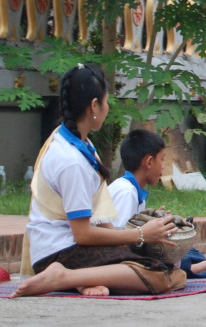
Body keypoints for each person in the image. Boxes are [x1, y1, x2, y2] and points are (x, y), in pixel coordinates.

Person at [14, 64, 184, 298]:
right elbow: (83, 234)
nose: (107, 108)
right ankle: (64, 277)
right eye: (106, 102)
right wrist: (140, 235)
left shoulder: (82, 144)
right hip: (59, 252)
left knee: (173, 271)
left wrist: (130, 244)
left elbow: (101, 219)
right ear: (94, 106)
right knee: (159, 275)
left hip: (73, 247)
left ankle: (82, 280)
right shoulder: (71, 160)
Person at [109, 129, 206, 278]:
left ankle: (188, 266)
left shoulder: (132, 190)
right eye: (162, 160)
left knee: (193, 254)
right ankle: (189, 268)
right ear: (149, 162)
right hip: (116, 257)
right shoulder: (126, 192)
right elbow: (119, 241)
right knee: (169, 259)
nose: (163, 166)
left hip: (127, 251)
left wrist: (156, 221)